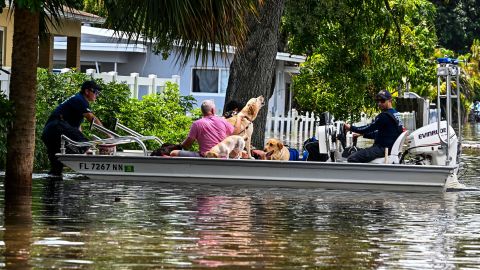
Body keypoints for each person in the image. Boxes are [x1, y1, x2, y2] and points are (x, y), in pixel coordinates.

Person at [42, 80, 105, 176]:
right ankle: (92, 166)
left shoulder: (77, 103)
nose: (97, 95)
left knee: (56, 169)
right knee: (85, 144)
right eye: (95, 92)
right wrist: (108, 135)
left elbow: (77, 129)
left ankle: (54, 187)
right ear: (87, 91)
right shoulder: (80, 100)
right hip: (56, 127)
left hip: (50, 132)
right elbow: (92, 119)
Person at [343, 89, 404, 163]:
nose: (379, 103)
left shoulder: (384, 116)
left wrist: (351, 128)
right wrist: (362, 134)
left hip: (383, 149)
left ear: (390, 100)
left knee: (352, 158)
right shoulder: (395, 113)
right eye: (378, 101)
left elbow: (368, 128)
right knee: (356, 151)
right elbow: (384, 134)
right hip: (389, 148)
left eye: (382, 101)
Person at [170, 99, 244, 157]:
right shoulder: (223, 121)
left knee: (173, 153)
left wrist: (179, 145)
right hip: (222, 156)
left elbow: (186, 146)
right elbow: (235, 133)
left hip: (205, 156)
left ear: (202, 111)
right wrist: (239, 117)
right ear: (212, 110)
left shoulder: (196, 124)